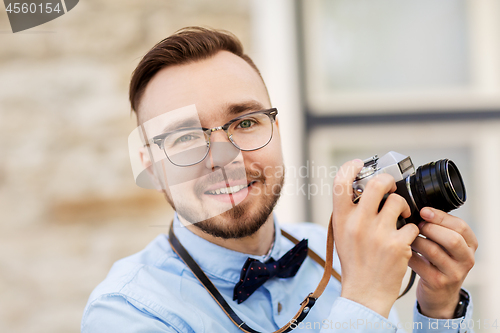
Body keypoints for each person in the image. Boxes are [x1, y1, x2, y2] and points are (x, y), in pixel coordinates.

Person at [81, 27, 477, 332]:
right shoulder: (125, 311)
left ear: (278, 130)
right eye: (185, 137)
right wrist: (365, 301)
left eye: (246, 122)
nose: (225, 158)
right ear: (152, 166)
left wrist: (439, 308)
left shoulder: (340, 257)